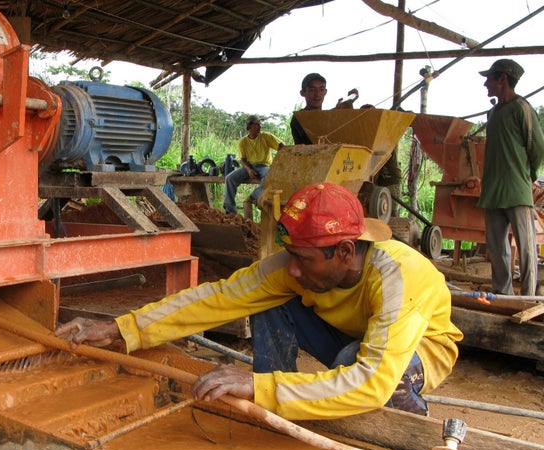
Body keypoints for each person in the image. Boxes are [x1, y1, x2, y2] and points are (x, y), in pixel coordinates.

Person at [56, 182, 462, 420]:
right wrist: (119, 329)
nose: (294, 271)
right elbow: (217, 299)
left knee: (355, 372)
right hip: (347, 333)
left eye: (303, 260)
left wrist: (254, 384)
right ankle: (272, 410)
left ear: (343, 252)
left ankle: (409, 415)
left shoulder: (397, 279)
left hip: (418, 349)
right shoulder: (296, 265)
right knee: (266, 300)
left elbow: (370, 380)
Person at [477, 59, 544, 296]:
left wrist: (529, 174)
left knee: (526, 249)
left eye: (490, 79)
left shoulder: (522, 109)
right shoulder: (492, 113)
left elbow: (537, 147)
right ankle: (503, 295)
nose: (486, 84)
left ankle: (529, 297)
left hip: (517, 190)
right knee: (496, 249)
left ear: (503, 79)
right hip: (493, 192)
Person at [222, 115, 284, 215]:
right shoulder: (243, 142)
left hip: (264, 166)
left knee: (269, 177)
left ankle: (253, 197)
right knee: (229, 178)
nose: (260, 127)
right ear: (250, 126)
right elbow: (242, 159)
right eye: (257, 125)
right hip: (250, 166)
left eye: (260, 125)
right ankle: (230, 210)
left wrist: (277, 163)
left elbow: (282, 146)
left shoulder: (266, 136)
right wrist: (249, 170)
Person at [290, 72, 328, 145]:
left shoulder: (328, 117)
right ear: (302, 93)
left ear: (325, 92)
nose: (317, 94)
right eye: (312, 90)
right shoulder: (299, 117)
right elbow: (317, 137)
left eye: (321, 89)